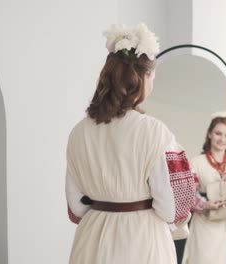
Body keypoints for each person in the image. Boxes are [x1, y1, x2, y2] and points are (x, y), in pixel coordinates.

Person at [65, 23, 196, 264]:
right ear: (142, 78)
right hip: (142, 241)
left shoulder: (78, 133)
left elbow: (76, 206)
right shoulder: (155, 132)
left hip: (92, 239)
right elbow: (171, 208)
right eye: (152, 76)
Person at [182, 113, 226, 264]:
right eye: (218, 133)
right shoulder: (196, 162)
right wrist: (203, 205)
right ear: (210, 134)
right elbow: (186, 194)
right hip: (204, 226)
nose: (222, 139)